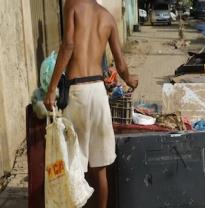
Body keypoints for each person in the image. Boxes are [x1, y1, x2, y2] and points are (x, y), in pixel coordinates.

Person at [44, 0, 138, 207]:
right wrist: (131, 80)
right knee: (99, 166)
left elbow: (68, 45)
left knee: (76, 163)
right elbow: (120, 64)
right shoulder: (107, 17)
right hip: (98, 92)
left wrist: (51, 89)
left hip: (77, 92)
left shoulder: (72, 6)